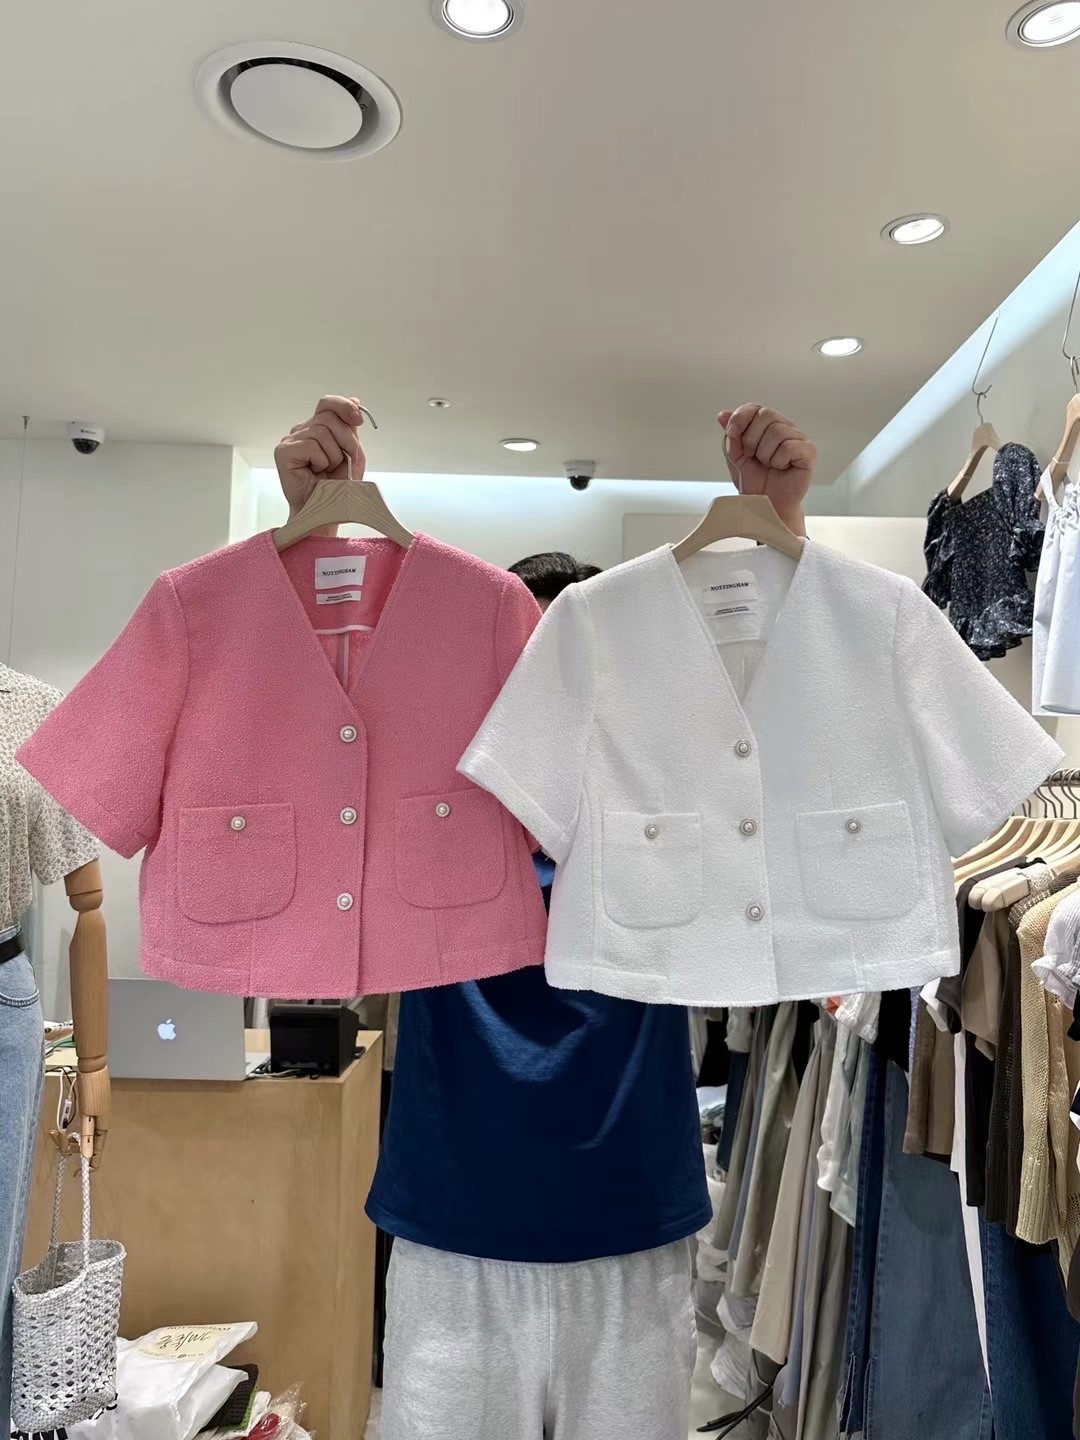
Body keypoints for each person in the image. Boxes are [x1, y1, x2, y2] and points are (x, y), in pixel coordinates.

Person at [275, 397, 816, 1440]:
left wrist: (779, 535)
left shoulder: (677, 795)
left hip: (632, 1231)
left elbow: (785, 763)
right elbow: (307, 726)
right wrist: (315, 535)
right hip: (453, 1237)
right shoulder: (417, 798)